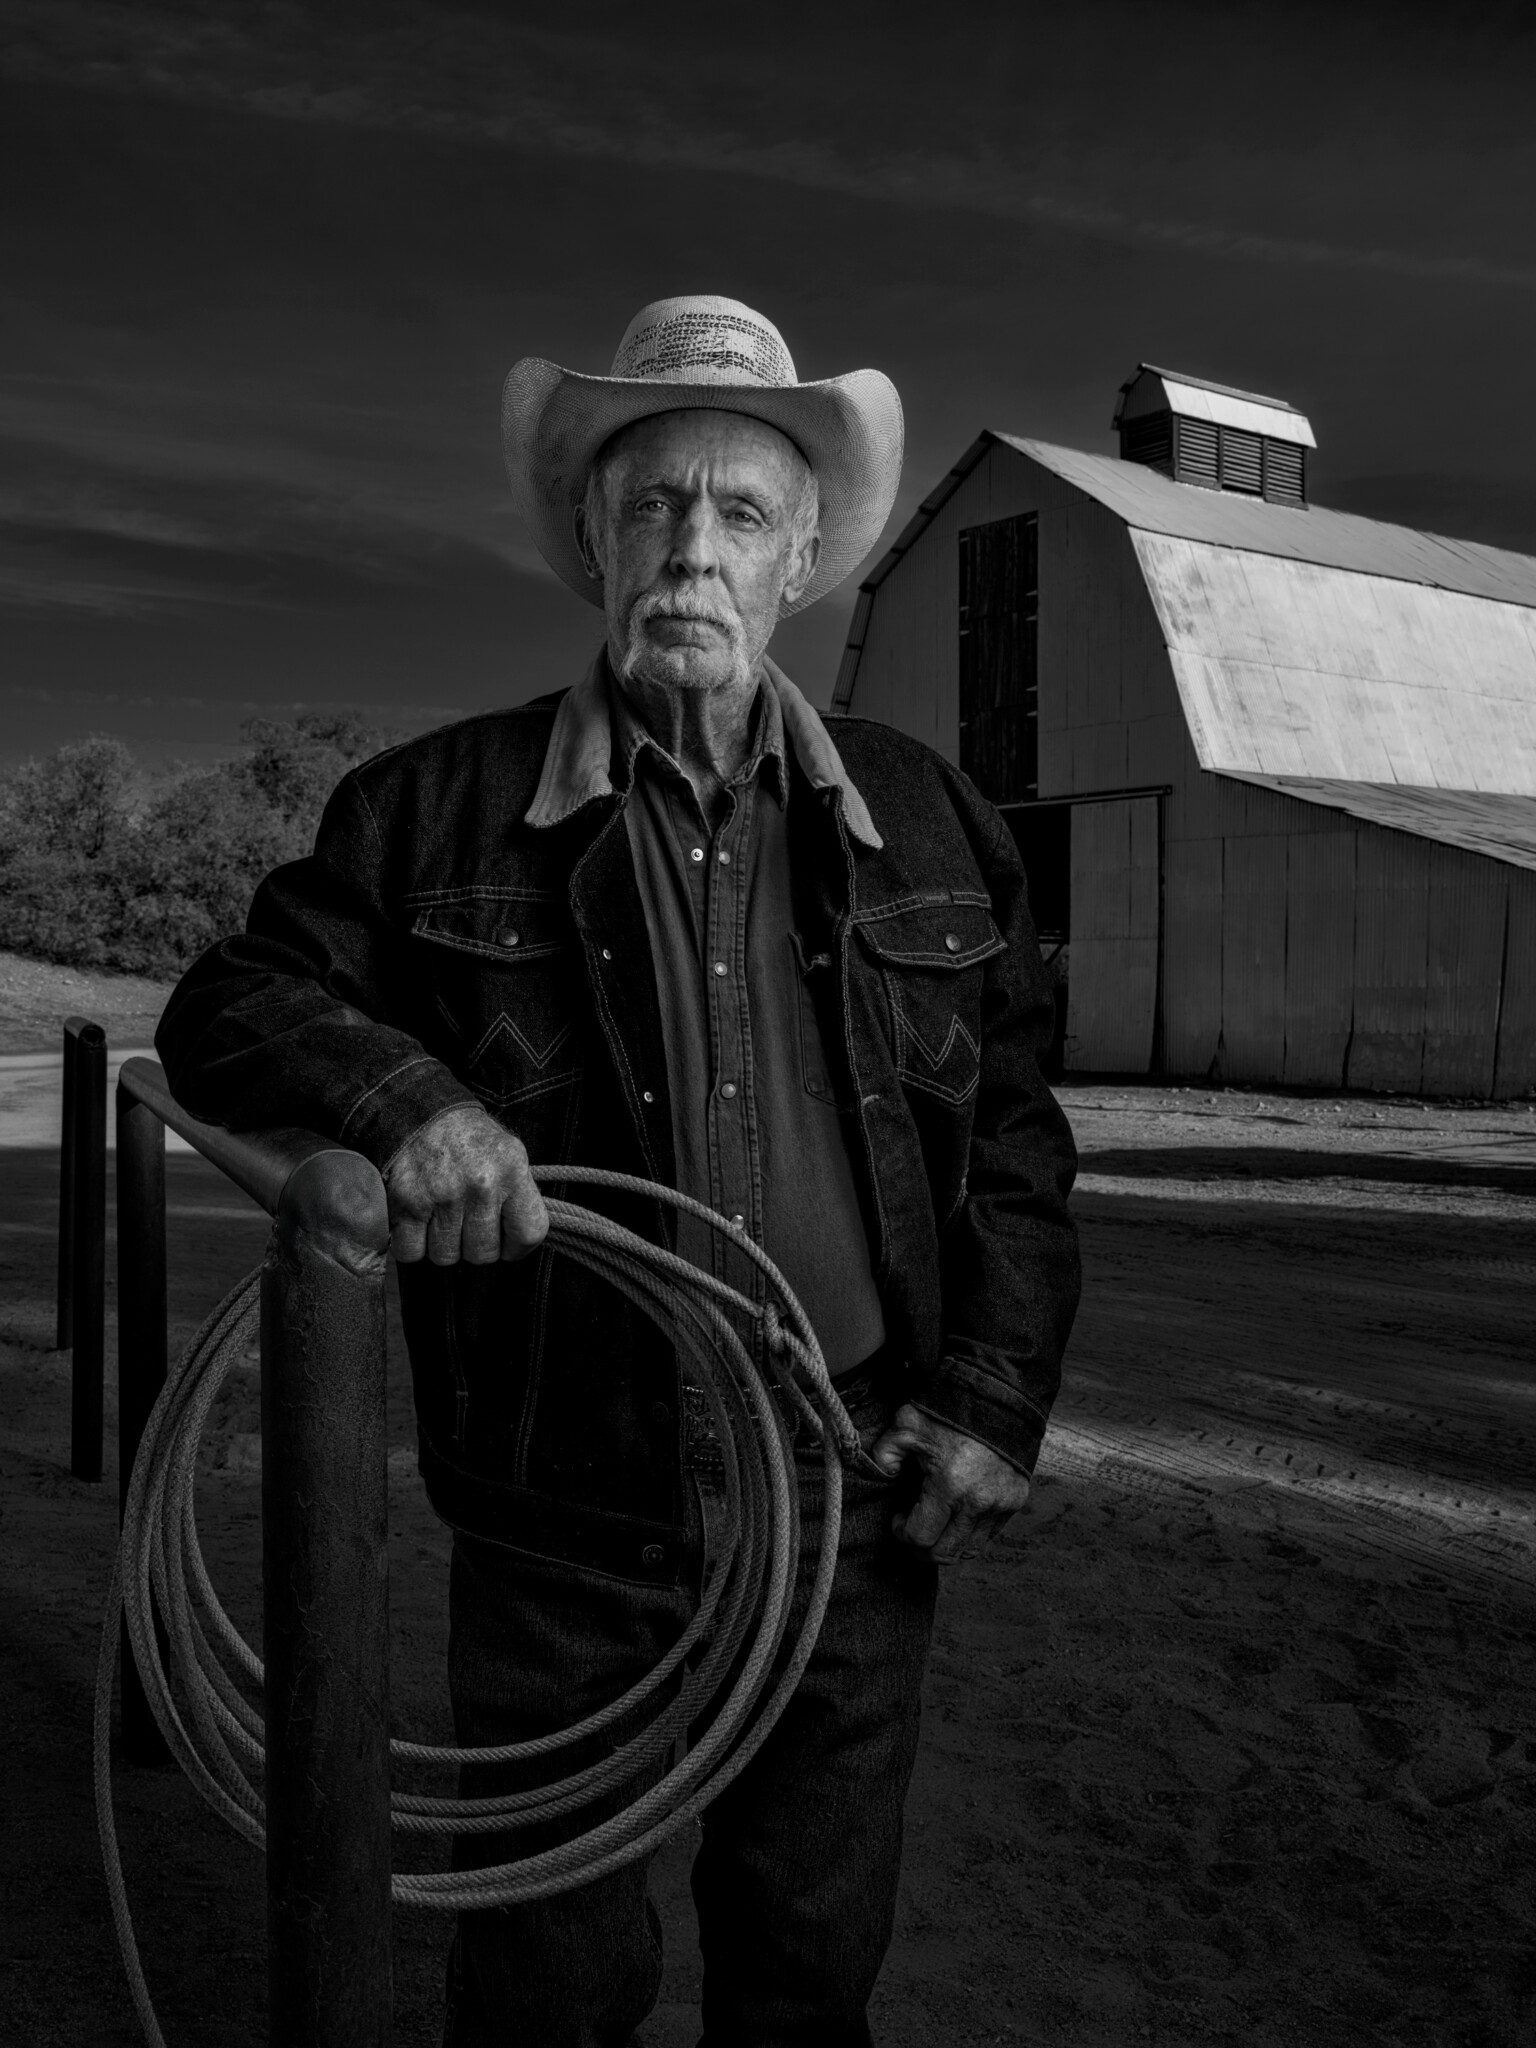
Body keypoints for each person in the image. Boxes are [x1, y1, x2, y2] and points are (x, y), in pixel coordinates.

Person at [157, 294, 1081, 2047]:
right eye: (651, 505)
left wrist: (993, 1394)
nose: (692, 549)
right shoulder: (431, 808)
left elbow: (1017, 1137)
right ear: (592, 536)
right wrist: (406, 1096)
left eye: (740, 513)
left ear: (801, 558)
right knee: (548, 1977)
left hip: (850, 1490)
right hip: (565, 1502)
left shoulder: (935, 817)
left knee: (808, 1962)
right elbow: (231, 1003)